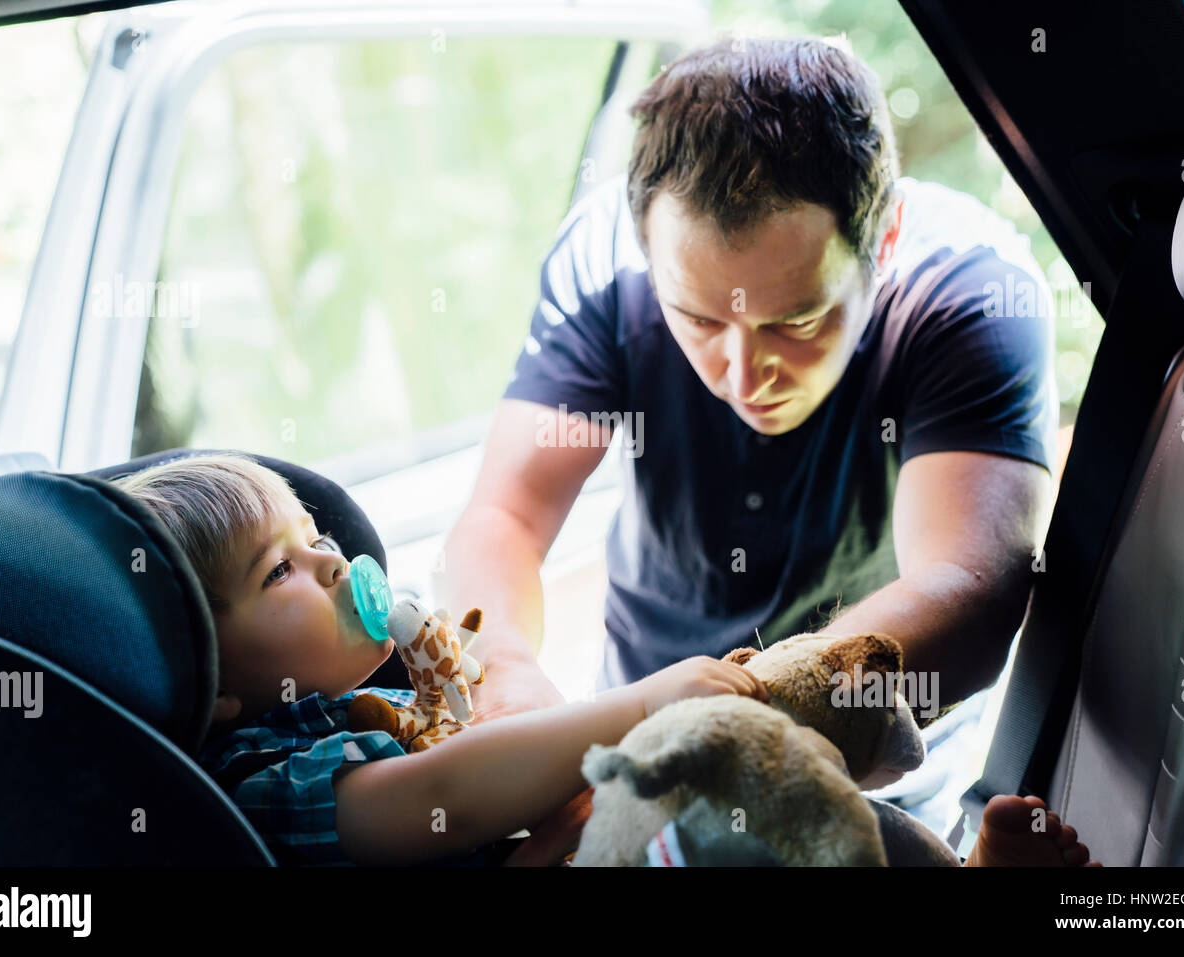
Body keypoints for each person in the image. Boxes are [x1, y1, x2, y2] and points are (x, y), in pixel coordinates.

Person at [441, 34, 1057, 746]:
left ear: (883, 241)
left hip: (871, 774)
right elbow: (505, 516)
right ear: (644, 246)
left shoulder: (969, 293)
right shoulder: (602, 265)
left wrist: (721, 724)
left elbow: (972, 583)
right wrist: (509, 679)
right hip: (637, 734)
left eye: (796, 320)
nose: (742, 371)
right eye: (700, 318)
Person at [111, 452, 768, 866]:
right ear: (212, 678)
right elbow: (445, 792)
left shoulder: (366, 713)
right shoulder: (266, 789)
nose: (335, 561)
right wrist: (641, 705)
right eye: (281, 569)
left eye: (315, 538)